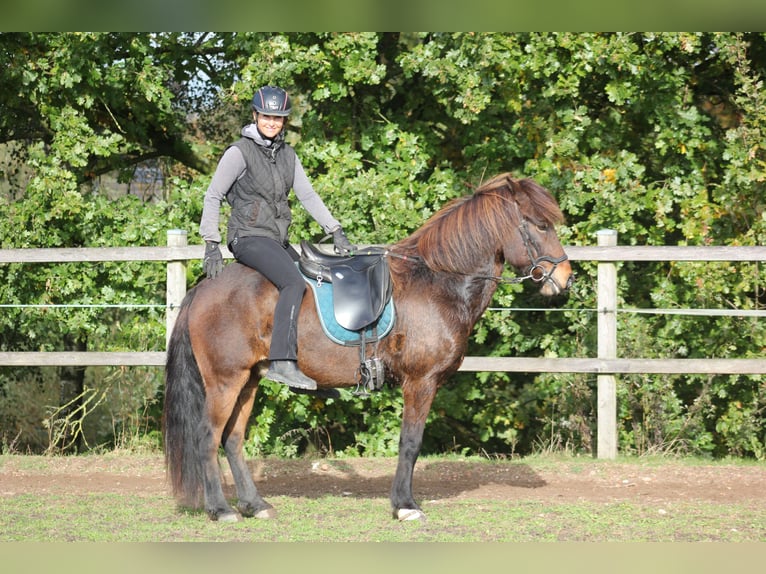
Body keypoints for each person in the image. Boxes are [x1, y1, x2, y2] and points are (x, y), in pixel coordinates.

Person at [199, 85, 355, 391]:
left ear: (284, 121)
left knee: (313, 281)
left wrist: (335, 229)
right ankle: (283, 363)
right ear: (256, 115)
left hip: (276, 239)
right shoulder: (238, 153)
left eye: (278, 118)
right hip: (248, 236)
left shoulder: (287, 155)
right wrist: (211, 243)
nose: (272, 122)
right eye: (267, 116)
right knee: (293, 283)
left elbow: (307, 195)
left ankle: (313, 366)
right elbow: (213, 195)